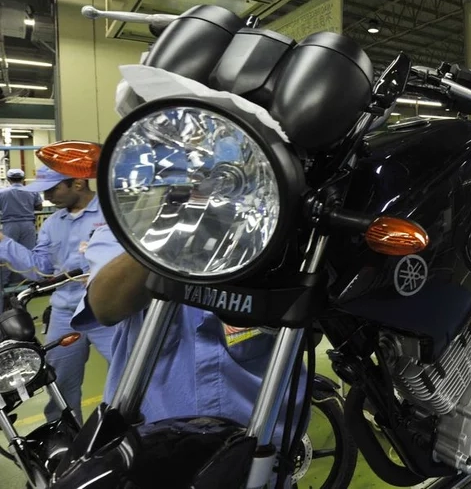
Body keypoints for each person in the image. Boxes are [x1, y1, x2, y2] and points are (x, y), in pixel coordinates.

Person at [73, 225, 307, 478]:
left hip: (260, 445)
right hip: (148, 445)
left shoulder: (280, 217)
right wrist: (185, 226)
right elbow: (106, 305)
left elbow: (309, 331)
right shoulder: (133, 217)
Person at [0, 166, 114, 420]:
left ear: (78, 183)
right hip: (65, 313)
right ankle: (69, 443)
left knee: (129, 376)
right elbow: (41, 269)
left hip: (108, 310)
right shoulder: (53, 223)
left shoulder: (113, 214)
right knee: (60, 385)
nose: (48, 197)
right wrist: (4, 244)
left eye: (53, 189)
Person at [0, 169, 43, 298]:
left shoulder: (2, 192)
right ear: (23, 179)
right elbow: (39, 207)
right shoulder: (31, 191)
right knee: (28, 254)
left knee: (6, 253)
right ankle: (29, 282)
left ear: (8, 179)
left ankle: (4, 283)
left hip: (10, 225)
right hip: (28, 225)